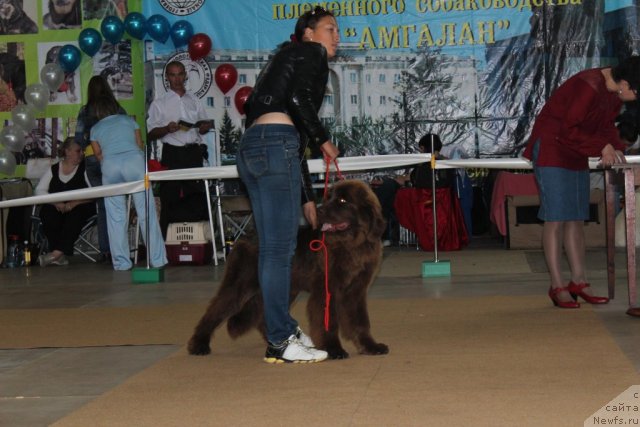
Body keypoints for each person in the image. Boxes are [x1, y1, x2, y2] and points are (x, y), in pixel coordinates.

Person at [237, 6, 340, 363]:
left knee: (272, 251)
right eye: (329, 29)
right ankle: (280, 340)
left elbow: (287, 135)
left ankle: (283, 329)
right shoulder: (310, 53)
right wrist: (324, 139)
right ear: (308, 34)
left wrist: (306, 196)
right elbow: (298, 105)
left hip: (254, 147)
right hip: (275, 145)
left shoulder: (282, 57)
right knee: (279, 254)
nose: (336, 37)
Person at [522, 56, 640, 309]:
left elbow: (605, 127)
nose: (635, 98)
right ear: (627, 84)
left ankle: (579, 281)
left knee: (575, 217)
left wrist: (618, 151)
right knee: (555, 218)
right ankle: (557, 286)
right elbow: (569, 129)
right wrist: (603, 146)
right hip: (553, 147)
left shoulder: (611, 92)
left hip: (576, 149)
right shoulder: (589, 86)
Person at [90, 96, 167, 271]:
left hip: (110, 166)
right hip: (134, 162)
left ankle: (122, 263)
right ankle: (157, 259)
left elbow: (98, 154)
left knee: (115, 216)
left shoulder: (95, 128)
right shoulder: (130, 121)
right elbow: (139, 144)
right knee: (146, 212)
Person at [146, 60, 212, 236]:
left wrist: (204, 127)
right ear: (167, 77)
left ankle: (201, 239)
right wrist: (167, 128)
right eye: (172, 75)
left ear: (185, 75)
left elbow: (204, 126)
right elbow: (150, 133)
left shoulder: (195, 100)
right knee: (170, 196)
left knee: (198, 195)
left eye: (180, 74)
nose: (177, 79)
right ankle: (166, 242)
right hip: (173, 152)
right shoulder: (159, 103)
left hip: (193, 152)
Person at [75, 75, 126, 263]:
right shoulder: (117, 109)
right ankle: (119, 248)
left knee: (103, 205)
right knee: (118, 204)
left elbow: (79, 139)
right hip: (113, 157)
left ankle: (105, 249)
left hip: (92, 159)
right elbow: (127, 128)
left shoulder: (85, 111)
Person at [34, 138, 96, 267]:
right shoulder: (54, 169)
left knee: (76, 215)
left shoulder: (85, 169)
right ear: (67, 152)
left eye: (82, 151)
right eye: (78, 151)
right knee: (48, 213)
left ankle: (54, 254)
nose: (82, 154)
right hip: (58, 206)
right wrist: (56, 202)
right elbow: (39, 190)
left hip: (82, 206)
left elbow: (94, 192)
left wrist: (74, 203)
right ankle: (59, 255)